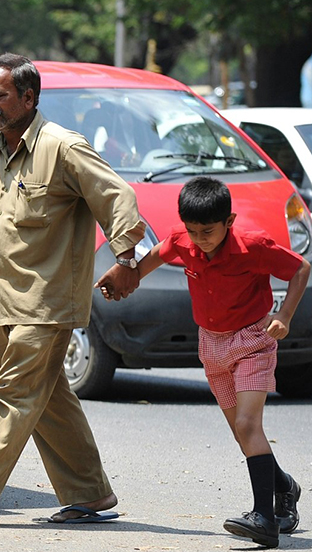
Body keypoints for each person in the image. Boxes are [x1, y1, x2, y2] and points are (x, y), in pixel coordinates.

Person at [0, 53, 144, 527]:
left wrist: (128, 260)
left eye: (0, 95)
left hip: (46, 303)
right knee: (47, 399)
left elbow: (118, 197)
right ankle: (89, 494)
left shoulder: (62, 147)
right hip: (4, 300)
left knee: (12, 394)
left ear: (29, 97)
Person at [100, 176, 307, 548]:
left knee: (247, 424)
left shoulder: (253, 245)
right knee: (242, 433)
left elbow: (301, 269)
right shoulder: (184, 239)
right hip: (210, 344)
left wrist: (285, 316)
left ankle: (264, 519)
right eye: (193, 231)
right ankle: (284, 486)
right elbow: (159, 253)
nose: (200, 239)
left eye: (208, 231)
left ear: (229, 221)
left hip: (253, 340)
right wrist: (127, 277)